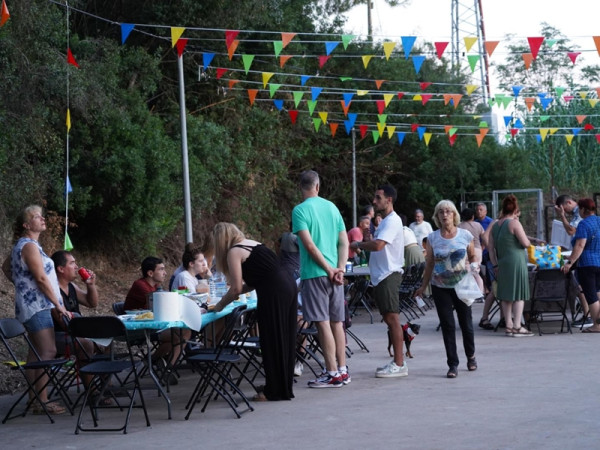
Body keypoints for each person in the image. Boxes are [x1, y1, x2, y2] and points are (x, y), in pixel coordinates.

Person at [211, 222, 297, 401]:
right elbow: (251, 282)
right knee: (284, 336)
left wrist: (219, 306)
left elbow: (235, 289)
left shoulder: (234, 251)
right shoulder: (253, 244)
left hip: (273, 291)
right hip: (287, 285)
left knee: (271, 339)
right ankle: (280, 385)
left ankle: (273, 391)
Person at [8, 205, 69, 415]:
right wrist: (59, 305)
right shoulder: (29, 246)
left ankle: (35, 400)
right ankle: (42, 400)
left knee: (35, 354)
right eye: (36, 217)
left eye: (42, 215)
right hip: (37, 306)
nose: (42, 219)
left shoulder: (25, 245)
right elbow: (41, 279)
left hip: (30, 304)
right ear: (26, 225)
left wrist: (22, 284)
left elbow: (6, 267)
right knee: (47, 351)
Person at [292, 170, 349, 388]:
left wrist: (327, 269)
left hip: (315, 273)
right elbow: (343, 241)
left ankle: (332, 372)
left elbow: (309, 245)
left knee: (322, 322)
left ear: (302, 187)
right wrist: (340, 268)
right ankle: (342, 370)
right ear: (318, 186)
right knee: (337, 322)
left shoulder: (299, 211)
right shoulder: (332, 207)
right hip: (336, 275)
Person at [414, 200, 477, 379]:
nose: (445, 214)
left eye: (448, 211)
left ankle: (471, 356)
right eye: (441, 212)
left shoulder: (465, 235)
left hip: (461, 285)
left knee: (466, 323)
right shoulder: (433, 237)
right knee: (448, 325)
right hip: (440, 287)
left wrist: (474, 267)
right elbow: (430, 263)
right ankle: (452, 364)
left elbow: (472, 256)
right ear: (437, 216)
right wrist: (423, 286)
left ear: (454, 214)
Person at [350, 185, 407, 378]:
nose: (374, 201)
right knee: (390, 320)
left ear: (389, 199)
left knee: (393, 319)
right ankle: (397, 362)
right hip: (382, 275)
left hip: (388, 275)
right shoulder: (385, 222)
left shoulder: (392, 221)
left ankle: (400, 364)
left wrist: (358, 244)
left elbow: (378, 245)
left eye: (378, 198)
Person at [488, 195, 534, 337]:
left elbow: (490, 248)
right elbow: (526, 243)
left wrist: (495, 265)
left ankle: (508, 325)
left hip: (501, 263)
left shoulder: (495, 225)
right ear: (516, 210)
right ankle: (517, 326)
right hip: (516, 261)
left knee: (506, 295)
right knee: (519, 294)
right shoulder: (514, 223)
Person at [562, 198, 600, 333]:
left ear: (583, 210)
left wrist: (570, 261)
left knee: (591, 295)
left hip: (587, 264)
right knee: (598, 292)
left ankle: (597, 325)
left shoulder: (584, 224)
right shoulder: (599, 221)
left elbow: (580, 245)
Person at [51, 250, 99, 356]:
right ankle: (87, 372)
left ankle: (103, 372)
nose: (76, 266)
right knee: (88, 344)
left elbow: (91, 303)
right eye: (72, 263)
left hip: (78, 330)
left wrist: (91, 285)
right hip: (59, 335)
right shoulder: (53, 290)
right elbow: (64, 323)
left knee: (106, 341)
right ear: (61, 269)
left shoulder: (71, 286)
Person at [459, 208, 485, 296]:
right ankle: (480, 293)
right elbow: (484, 238)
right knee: (476, 272)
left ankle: (468, 292)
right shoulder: (478, 225)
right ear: (472, 216)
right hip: (477, 249)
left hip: (465, 250)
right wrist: (482, 247)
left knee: (466, 272)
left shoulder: (459, 226)